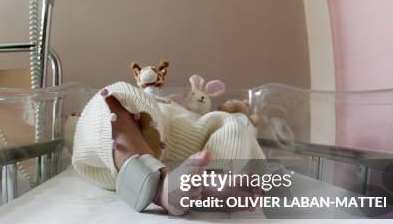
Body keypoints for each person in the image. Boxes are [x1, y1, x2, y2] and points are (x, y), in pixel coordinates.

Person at [72, 81, 265, 215]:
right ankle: (159, 182)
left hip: (197, 144)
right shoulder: (139, 101)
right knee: (108, 97)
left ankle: (210, 184)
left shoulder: (200, 117)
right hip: (123, 156)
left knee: (233, 125)